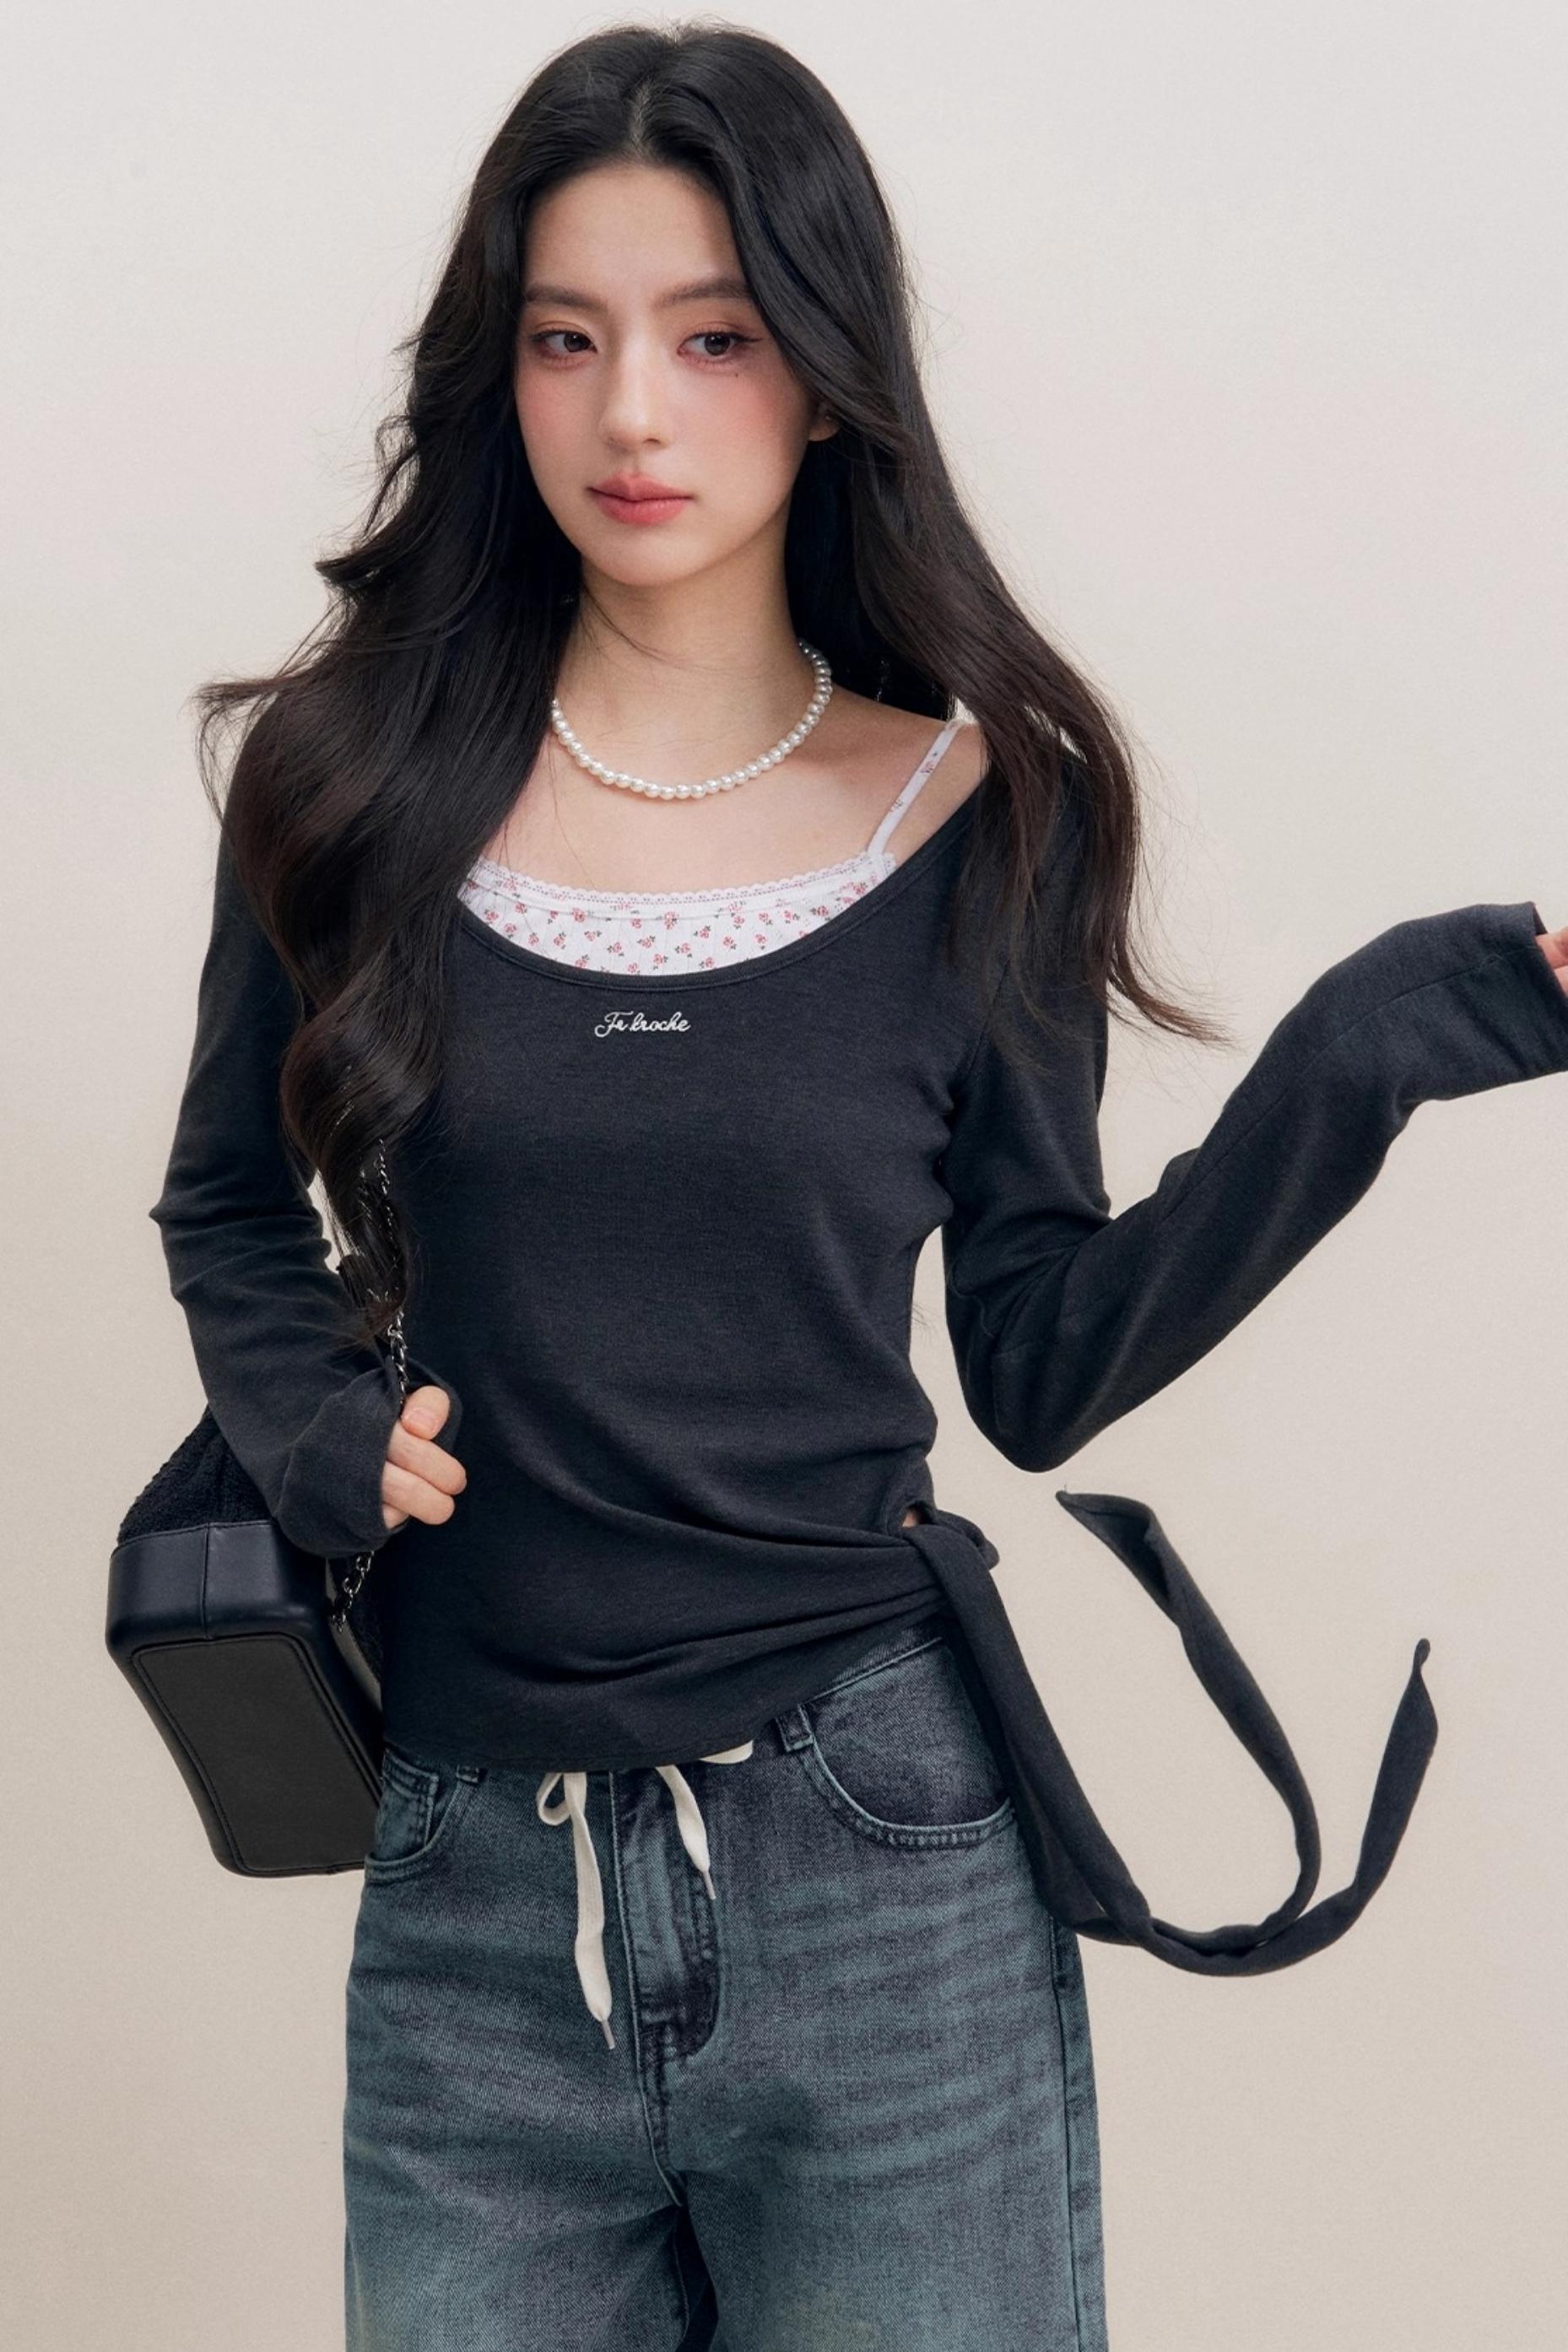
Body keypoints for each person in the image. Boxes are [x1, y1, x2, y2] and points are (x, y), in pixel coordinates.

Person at [146, 24, 1568, 2352]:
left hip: (882, 1865)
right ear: (500, 372)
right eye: (567, 339)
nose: (633, 414)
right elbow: (225, 1206)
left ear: (824, 373)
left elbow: (1040, 1360)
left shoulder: (989, 819)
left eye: (713, 339)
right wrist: (314, 1425)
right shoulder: (347, 784)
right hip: (472, 1890)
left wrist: (1376, 1043)